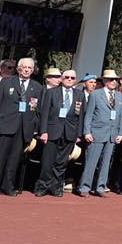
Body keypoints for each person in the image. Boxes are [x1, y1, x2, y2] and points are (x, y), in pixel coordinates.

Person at [0, 57, 43, 196]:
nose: (27, 69)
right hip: (4, 126)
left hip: (24, 129)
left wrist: (34, 127)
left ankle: (8, 187)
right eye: (25, 67)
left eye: (30, 68)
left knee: (14, 161)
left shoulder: (37, 87)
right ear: (19, 68)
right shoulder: (6, 82)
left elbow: (37, 110)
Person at [34, 69, 84, 197]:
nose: (69, 79)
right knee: (47, 161)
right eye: (66, 77)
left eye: (72, 78)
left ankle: (55, 187)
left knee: (61, 163)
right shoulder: (51, 92)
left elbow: (81, 116)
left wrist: (78, 134)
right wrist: (43, 131)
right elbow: (44, 113)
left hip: (70, 133)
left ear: (75, 80)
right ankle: (43, 186)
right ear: (62, 78)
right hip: (52, 131)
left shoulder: (80, 94)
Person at [77, 70, 122, 197]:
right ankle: (85, 187)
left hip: (112, 134)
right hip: (96, 132)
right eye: (110, 79)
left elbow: (120, 116)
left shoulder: (120, 96)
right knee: (91, 161)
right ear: (104, 81)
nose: (113, 81)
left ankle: (100, 187)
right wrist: (86, 132)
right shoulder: (96, 95)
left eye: (115, 79)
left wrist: (120, 133)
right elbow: (88, 115)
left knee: (106, 163)